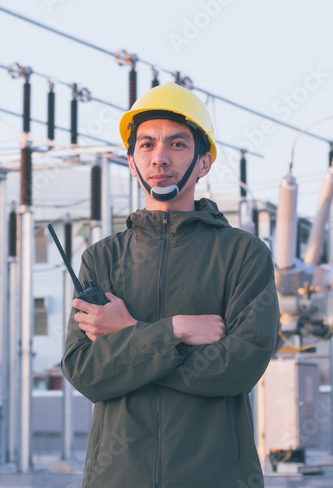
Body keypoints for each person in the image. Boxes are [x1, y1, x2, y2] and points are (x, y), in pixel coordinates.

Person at [62, 83, 280, 487]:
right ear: (132, 162)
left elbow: (238, 369)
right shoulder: (102, 258)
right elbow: (86, 373)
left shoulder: (243, 254)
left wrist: (127, 333)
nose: (159, 157)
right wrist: (175, 330)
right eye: (146, 144)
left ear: (204, 162)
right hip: (118, 478)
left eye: (177, 144)